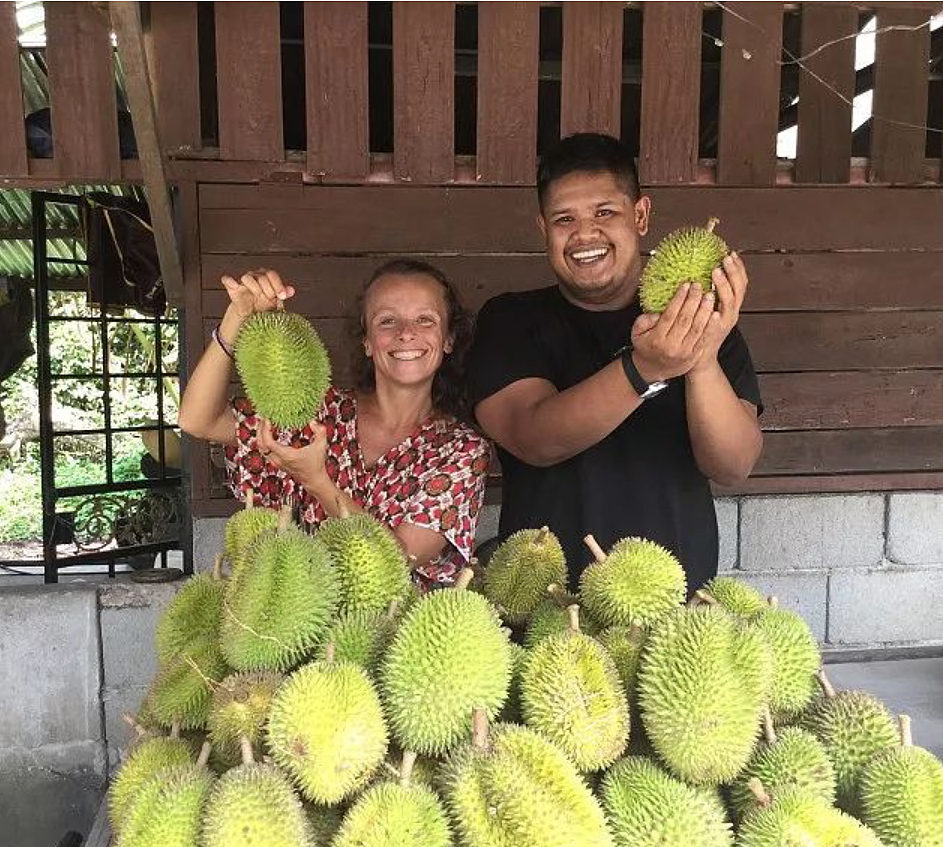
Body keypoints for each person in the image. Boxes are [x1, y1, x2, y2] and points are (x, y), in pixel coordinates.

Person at [466, 133, 764, 596]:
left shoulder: (704, 322)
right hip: (547, 607)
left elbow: (733, 464)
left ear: (640, 215)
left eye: (605, 213)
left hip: (674, 611)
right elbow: (534, 437)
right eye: (565, 219)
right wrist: (643, 369)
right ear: (543, 228)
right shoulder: (511, 320)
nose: (585, 234)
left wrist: (700, 357)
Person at [178, 258, 491, 589]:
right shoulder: (316, 410)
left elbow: (395, 561)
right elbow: (199, 419)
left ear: (448, 339)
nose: (406, 333)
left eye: (425, 319)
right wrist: (237, 317)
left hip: (396, 632)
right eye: (387, 321)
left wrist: (317, 482)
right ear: (367, 341)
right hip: (293, 625)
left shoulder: (462, 451)